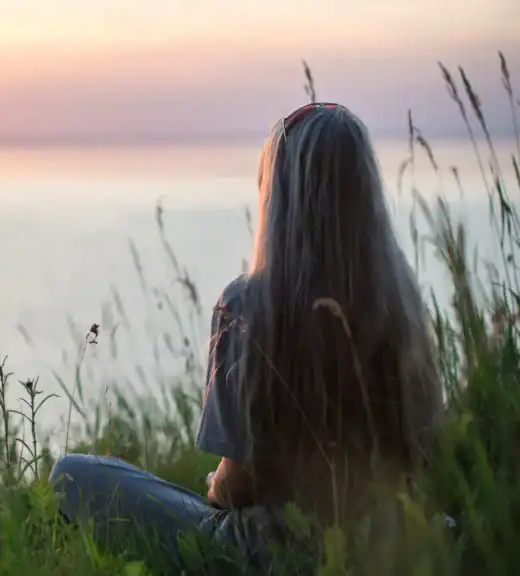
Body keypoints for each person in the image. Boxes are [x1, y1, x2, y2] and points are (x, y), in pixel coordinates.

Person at [49, 102, 445, 570]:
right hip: (387, 544)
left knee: (75, 475)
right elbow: (424, 456)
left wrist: (215, 485)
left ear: (279, 197)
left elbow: (237, 486)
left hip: (272, 553)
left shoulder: (248, 306)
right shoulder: (401, 304)